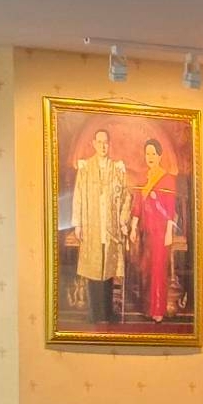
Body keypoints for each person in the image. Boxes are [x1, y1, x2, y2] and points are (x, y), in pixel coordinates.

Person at [71, 128, 129, 323]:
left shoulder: (117, 169)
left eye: (106, 142)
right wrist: (78, 224)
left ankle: (107, 312)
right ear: (94, 144)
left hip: (110, 226)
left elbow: (126, 196)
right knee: (93, 268)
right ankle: (94, 313)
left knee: (108, 268)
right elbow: (78, 196)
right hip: (92, 225)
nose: (103, 146)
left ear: (109, 144)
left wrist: (123, 221)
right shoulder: (86, 168)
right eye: (100, 142)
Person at [129, 138, 181, 322]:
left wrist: (169, 232)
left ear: (159, 156)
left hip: (161, 231)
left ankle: (158, 310)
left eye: (153, 153)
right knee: (146, 269)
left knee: (158, 270)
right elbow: (137, 204)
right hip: (146, 231)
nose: (150, 156)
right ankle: (148, 308)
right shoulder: (143, 177)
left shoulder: (168, 179)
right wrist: (133, 227)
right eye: (147, 153)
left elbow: (170, 208)